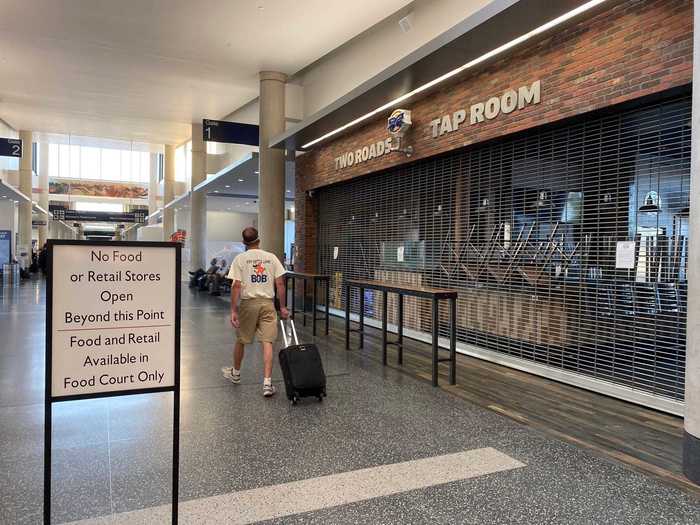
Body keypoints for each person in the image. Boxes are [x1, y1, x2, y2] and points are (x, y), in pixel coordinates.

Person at [222, 227, 289, 397]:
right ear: (259, 240)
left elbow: (236, 286)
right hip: (268, 304)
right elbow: (280, 284)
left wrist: (233, 310)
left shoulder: (240, 259)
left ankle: (236, 374)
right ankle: (267, 383)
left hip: (248, 304)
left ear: (244, 243)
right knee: (267, 342)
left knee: (242, 339)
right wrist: (282, 307)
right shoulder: (271, 257)